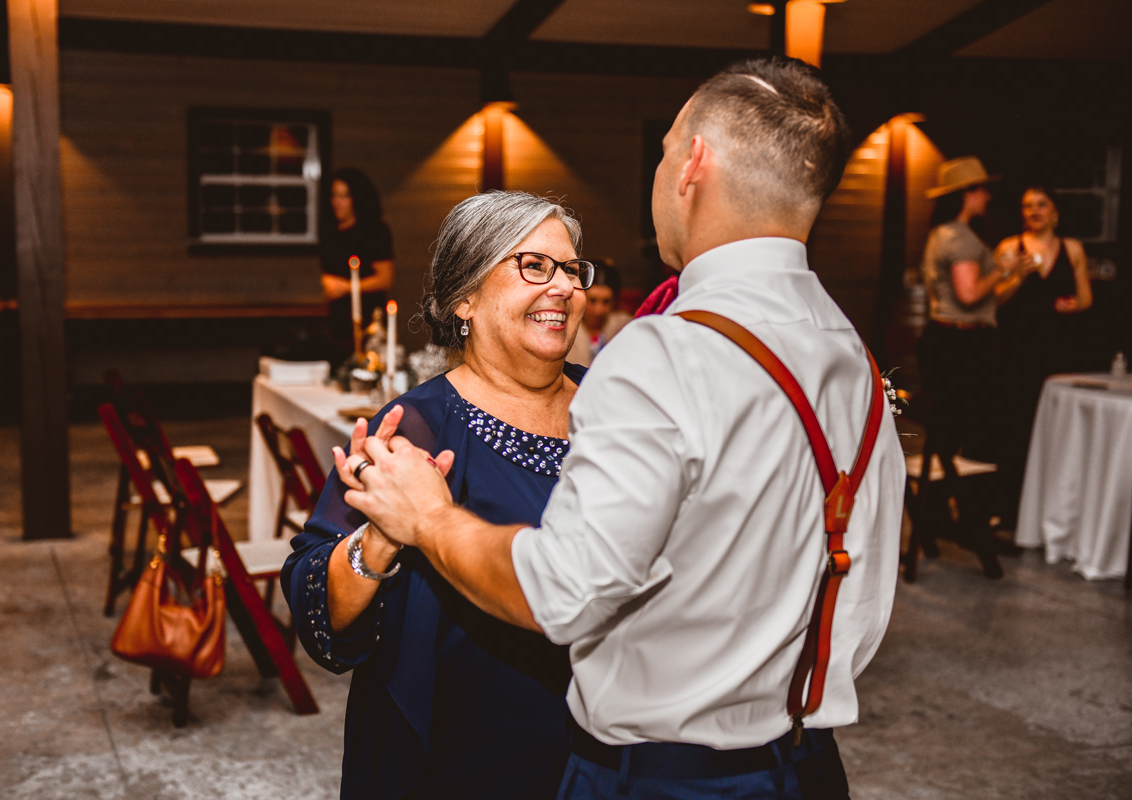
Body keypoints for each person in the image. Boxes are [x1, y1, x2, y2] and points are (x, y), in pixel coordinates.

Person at [338, 57, 905, 800]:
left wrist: (432, 519)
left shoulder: (665, 352)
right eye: (533, 266)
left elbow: (562, 591)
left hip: (666, 776)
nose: (564, 286)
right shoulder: (853, 358)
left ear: (692, 164)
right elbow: (859, 596)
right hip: (805, 766)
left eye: (663, 151)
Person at [282, 191, 597, 799]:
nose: (563, 287)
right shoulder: (415, 426)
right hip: (465, 759)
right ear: (464, 298)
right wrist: (379, 539)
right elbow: (318, 607)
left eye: (570, 269)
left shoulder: (620, 405)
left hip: (620, 749)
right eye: (534, 266)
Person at [917, 156, 1015, 577]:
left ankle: (935, 517)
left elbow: (983, 300)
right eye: (982, 189)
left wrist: (1012, 278)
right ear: (967, 194)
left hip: (948, 339)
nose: (987, 197)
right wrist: (1004, 269)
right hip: (961, 345)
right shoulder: (961, 238)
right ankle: (968, 524)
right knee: (964, 433)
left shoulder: (942, 233)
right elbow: (970, 294)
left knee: (949, 432)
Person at [993, 187, 1092, 523]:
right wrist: (1017, 277)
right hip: (1017, 350)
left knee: (1056, 427)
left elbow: (1086, 298)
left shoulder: (1072, 248)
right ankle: (1010, 509)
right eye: (1027, 206)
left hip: (1059, 350)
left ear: (1055, 212)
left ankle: (1053, 509)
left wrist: (1072, 305)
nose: (1034, 211)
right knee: (1016, 424)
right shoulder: (1010, 247)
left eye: (1041, 205)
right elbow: (994, 300)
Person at [321, 168, 395, 365]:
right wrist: (325, 281)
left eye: (344, 196)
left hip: (367, 316)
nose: (337, 202)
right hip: (336, 319)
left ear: (356, 198)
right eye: (334, 195)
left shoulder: (374, 232)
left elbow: (385, 278)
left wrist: (348, 287)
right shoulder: (330, 232)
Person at [565, 263, 632, 367]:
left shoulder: (624, 326)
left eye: (606, 302)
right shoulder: (564, 329)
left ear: (615, 301)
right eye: (592, 300)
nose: (598, 311)